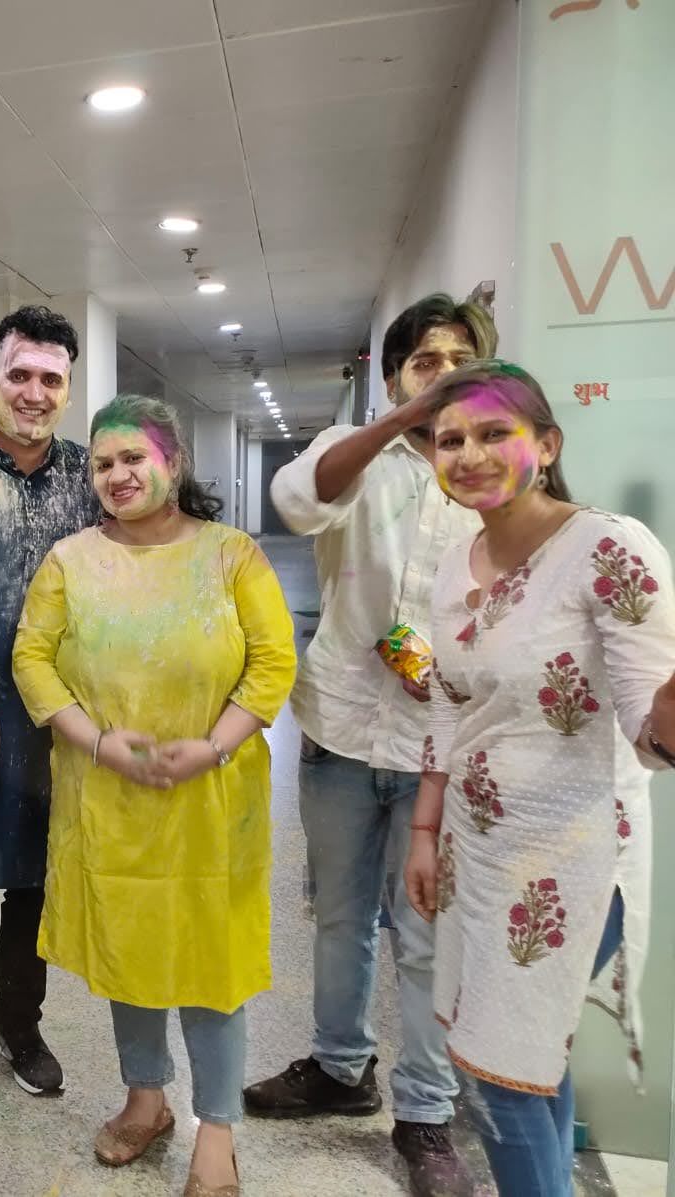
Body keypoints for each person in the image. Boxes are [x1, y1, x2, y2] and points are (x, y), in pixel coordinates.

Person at [401, 362, 675, 1197]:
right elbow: (448, 704)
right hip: (474, 855)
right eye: (451, 439)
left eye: (495, 433)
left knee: (500, 1078)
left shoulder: (607, 546)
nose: (470, 454)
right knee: (529, 1064)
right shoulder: (459, 561)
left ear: (547, 445)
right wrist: (423, 829)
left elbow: (649, 727)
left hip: (570, 862)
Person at [13, 395, 294, 1197]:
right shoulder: (70, 560)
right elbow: (32, 659)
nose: (117, 474)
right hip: (109, 796)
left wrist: (214, 744)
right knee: (128, 948)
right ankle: (146, 1098)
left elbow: (273, 661)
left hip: (213, 798)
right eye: (103, 463)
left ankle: (218, 1127)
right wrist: (99, 742)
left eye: (134, 457)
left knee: (213, 959)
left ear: (173, 462)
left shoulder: (231, 555)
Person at [249, 293, 497, 1197]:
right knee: (341, 918)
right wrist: (400, 422)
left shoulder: (494, 469)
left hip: (444, 744)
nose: (444, 374)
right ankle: (339, 1065)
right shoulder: (355, 452)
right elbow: (293, 500)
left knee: (427, 935)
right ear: (394, 377)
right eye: (425, 360)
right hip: (343, 729)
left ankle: (426, 1112)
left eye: (460, 359)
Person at [0, 304, 96, 1096]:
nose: (34, 393)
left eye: (50, 379)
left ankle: (19, 1022)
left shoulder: (93, 477)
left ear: (67, 389)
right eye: (19, 375)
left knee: (33, 881)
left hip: (56, 719)